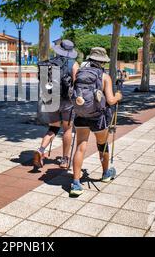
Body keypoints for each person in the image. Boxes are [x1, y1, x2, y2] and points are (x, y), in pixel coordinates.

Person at [70, 47, 123, 197]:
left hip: (81, 114)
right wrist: (119, 96)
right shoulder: (105, 76)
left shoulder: (79, 74)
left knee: (80, 147)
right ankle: (106, 173)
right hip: (98, 117)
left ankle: (75, 183)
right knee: (102, 144)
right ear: (102, 62)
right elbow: (111, 100)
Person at [34, 40, 79, 170]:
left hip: (49, 99)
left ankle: (41, 150)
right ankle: (65, 159)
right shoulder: (73, 64)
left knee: (53, 128)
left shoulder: (49, 62)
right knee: (67, 130)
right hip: (66, 102)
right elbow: (77, 83)